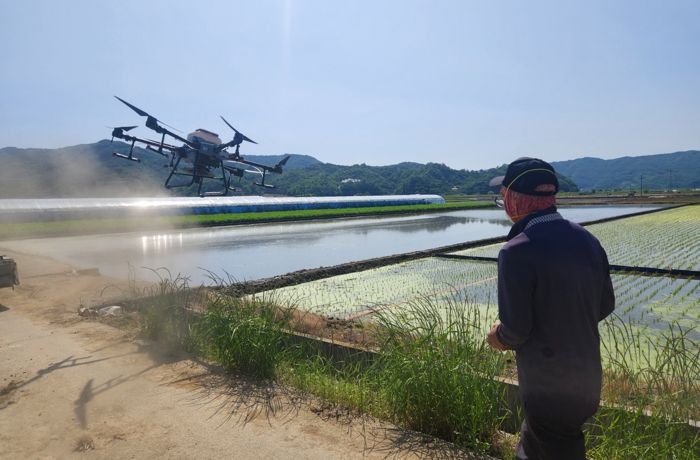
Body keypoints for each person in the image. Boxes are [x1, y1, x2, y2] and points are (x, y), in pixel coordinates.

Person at [485, 157, 615, 459]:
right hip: (586, 380)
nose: (502, 202)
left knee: (545, 448)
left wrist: (497, 336)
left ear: (515, 198)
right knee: (553, 445)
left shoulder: (517, 251)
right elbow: (605, 304)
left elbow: (516, 330)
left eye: (503, 194)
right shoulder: (587, 240)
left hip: (547, 386)